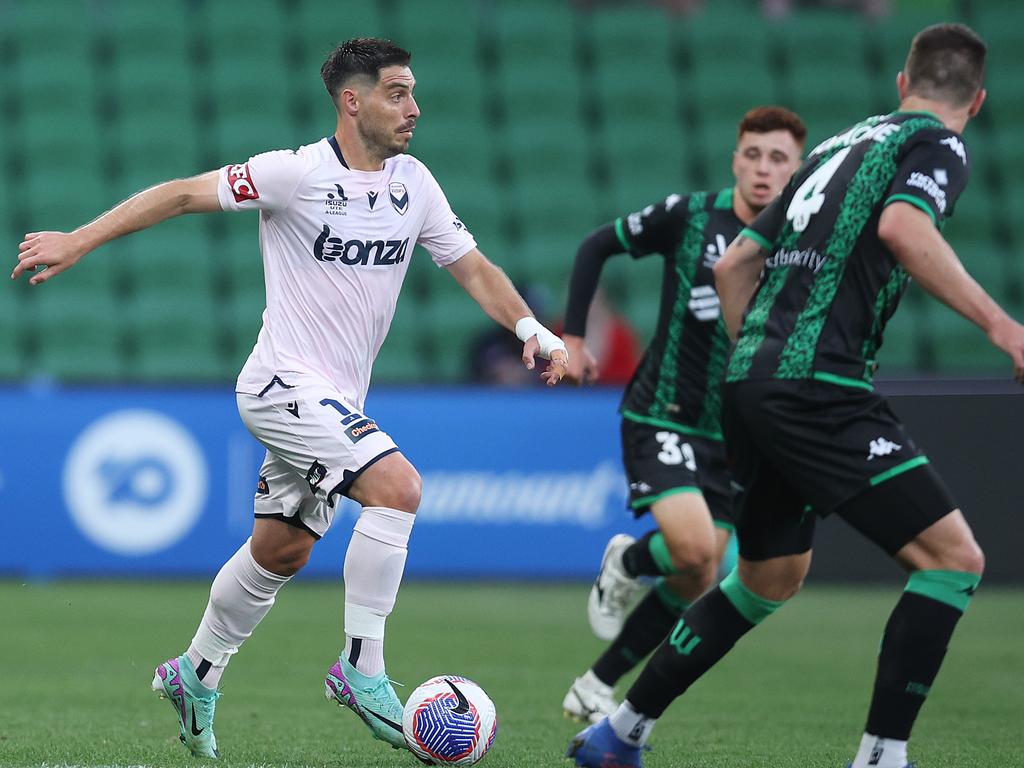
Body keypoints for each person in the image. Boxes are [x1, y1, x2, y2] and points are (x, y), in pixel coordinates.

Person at [13, 38, 568, 759]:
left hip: (335, 397)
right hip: (281, 385)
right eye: (397, 93)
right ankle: (361, 667)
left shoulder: (415, 185)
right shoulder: (294, 174)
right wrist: (78, 240)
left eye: (412, 93)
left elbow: (474, 267)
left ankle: (194, 671)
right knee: (398, 488)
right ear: (352, 100)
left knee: (281, 550)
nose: (414, 108)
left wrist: (528, 325)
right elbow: (182, 193)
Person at [567, 23, 1024, 768]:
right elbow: (905, 228)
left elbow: (735, 266)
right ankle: (881, 759)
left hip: (750, 384)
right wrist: (1005, 327)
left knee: (764, 580)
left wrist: (760, 361)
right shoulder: (937, 145)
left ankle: (618, 735)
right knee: (952, 560)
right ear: (974, 100)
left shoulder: (836, 149)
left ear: (903, 84)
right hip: (819, 385)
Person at [560, 107, 806, 722]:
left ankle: (596, 683)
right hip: (662, 413)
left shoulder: (801, 242)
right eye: (752, 154)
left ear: (798, 169)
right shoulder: (691, 216)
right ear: (735, 159)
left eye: (778, 158)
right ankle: (629, 561)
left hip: (734, 432)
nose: (763, 168)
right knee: (697, 551)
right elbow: (598, 244)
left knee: (702, 573)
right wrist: (573, 338)